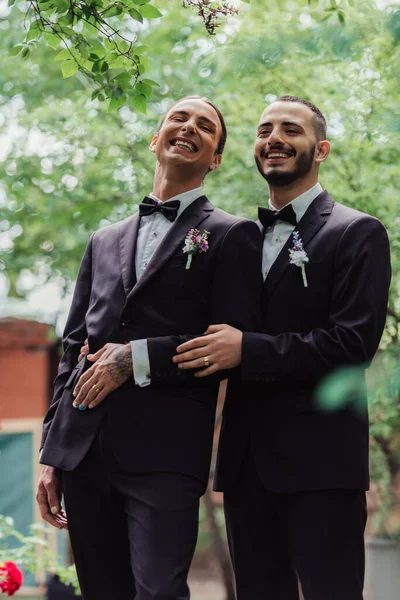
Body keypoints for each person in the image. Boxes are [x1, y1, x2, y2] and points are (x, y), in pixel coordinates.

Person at [36, 95, 263, 600]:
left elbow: (226, 345)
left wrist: (135, 358)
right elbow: (73, 347)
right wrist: (54, 453)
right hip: (85, 449)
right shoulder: (103, 239)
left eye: (206, 127)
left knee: (159, 592)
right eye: (178, 118)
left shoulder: (232, 234)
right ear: (155, 139)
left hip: (165, 454)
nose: (190, 127)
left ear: (216, 158)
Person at [173, 96, 391, 600]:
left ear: (321, 150)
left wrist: (249, 350)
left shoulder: (357, 232)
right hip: (248, 467)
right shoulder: (236, 240)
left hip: (322, 464)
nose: (274, 139)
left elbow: (352, 343)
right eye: (264, 129)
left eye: (290, 130)